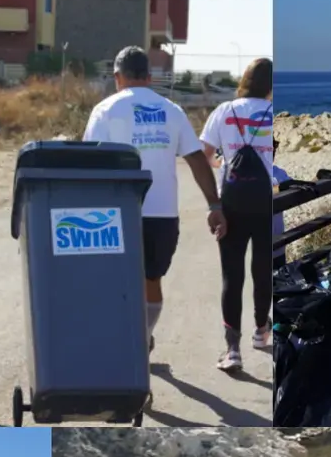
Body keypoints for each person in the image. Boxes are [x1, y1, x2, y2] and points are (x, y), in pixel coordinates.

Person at [83, 47, 225, 344]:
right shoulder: (171, 110)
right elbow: (197, 160)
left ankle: (125, 340)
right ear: (149, 77)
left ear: (117, 77)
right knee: (152, 279)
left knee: (115, 281)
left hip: (116, 213)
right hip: (162, 214)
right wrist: (214, 204)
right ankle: (143, 336)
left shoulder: (105, 110)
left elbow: (89, 161)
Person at [201, 59, 276, 373]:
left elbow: (203, 156)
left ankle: (232, 350)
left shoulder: (224, 111)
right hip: (263, 202)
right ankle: (261, 331)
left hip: (230, 202)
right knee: (262, 268)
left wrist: (218, 183)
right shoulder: (273, 113)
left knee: (232, 275)